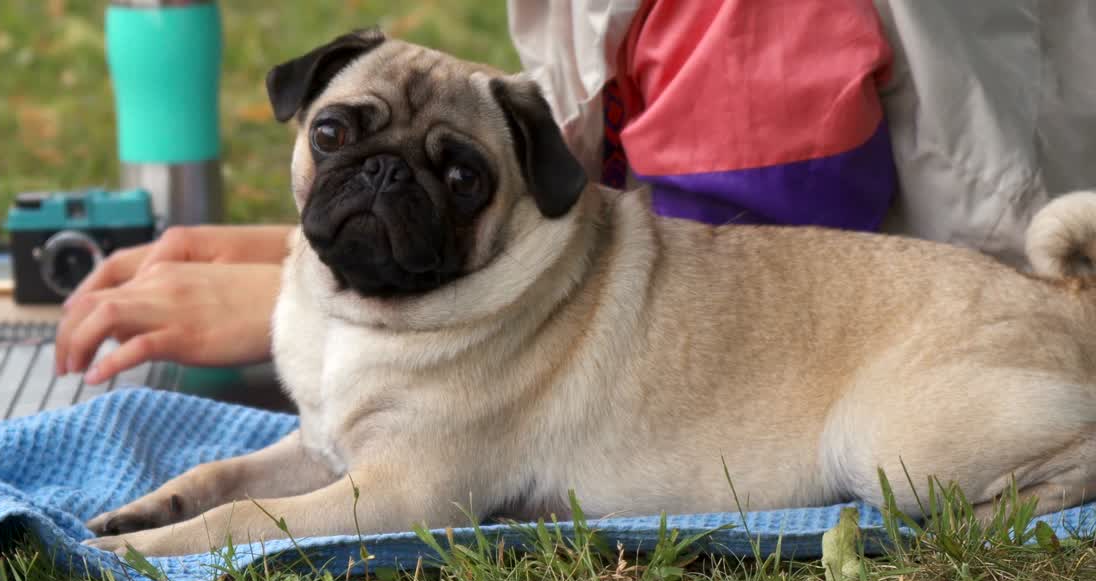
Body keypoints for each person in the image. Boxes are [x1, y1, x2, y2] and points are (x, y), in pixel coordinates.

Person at [56, 0, 1096, 385]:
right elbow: (589, 163)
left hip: (927, 338)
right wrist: (313, 242)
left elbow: (721, 305)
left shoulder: (735, 19)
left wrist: (312, 316)